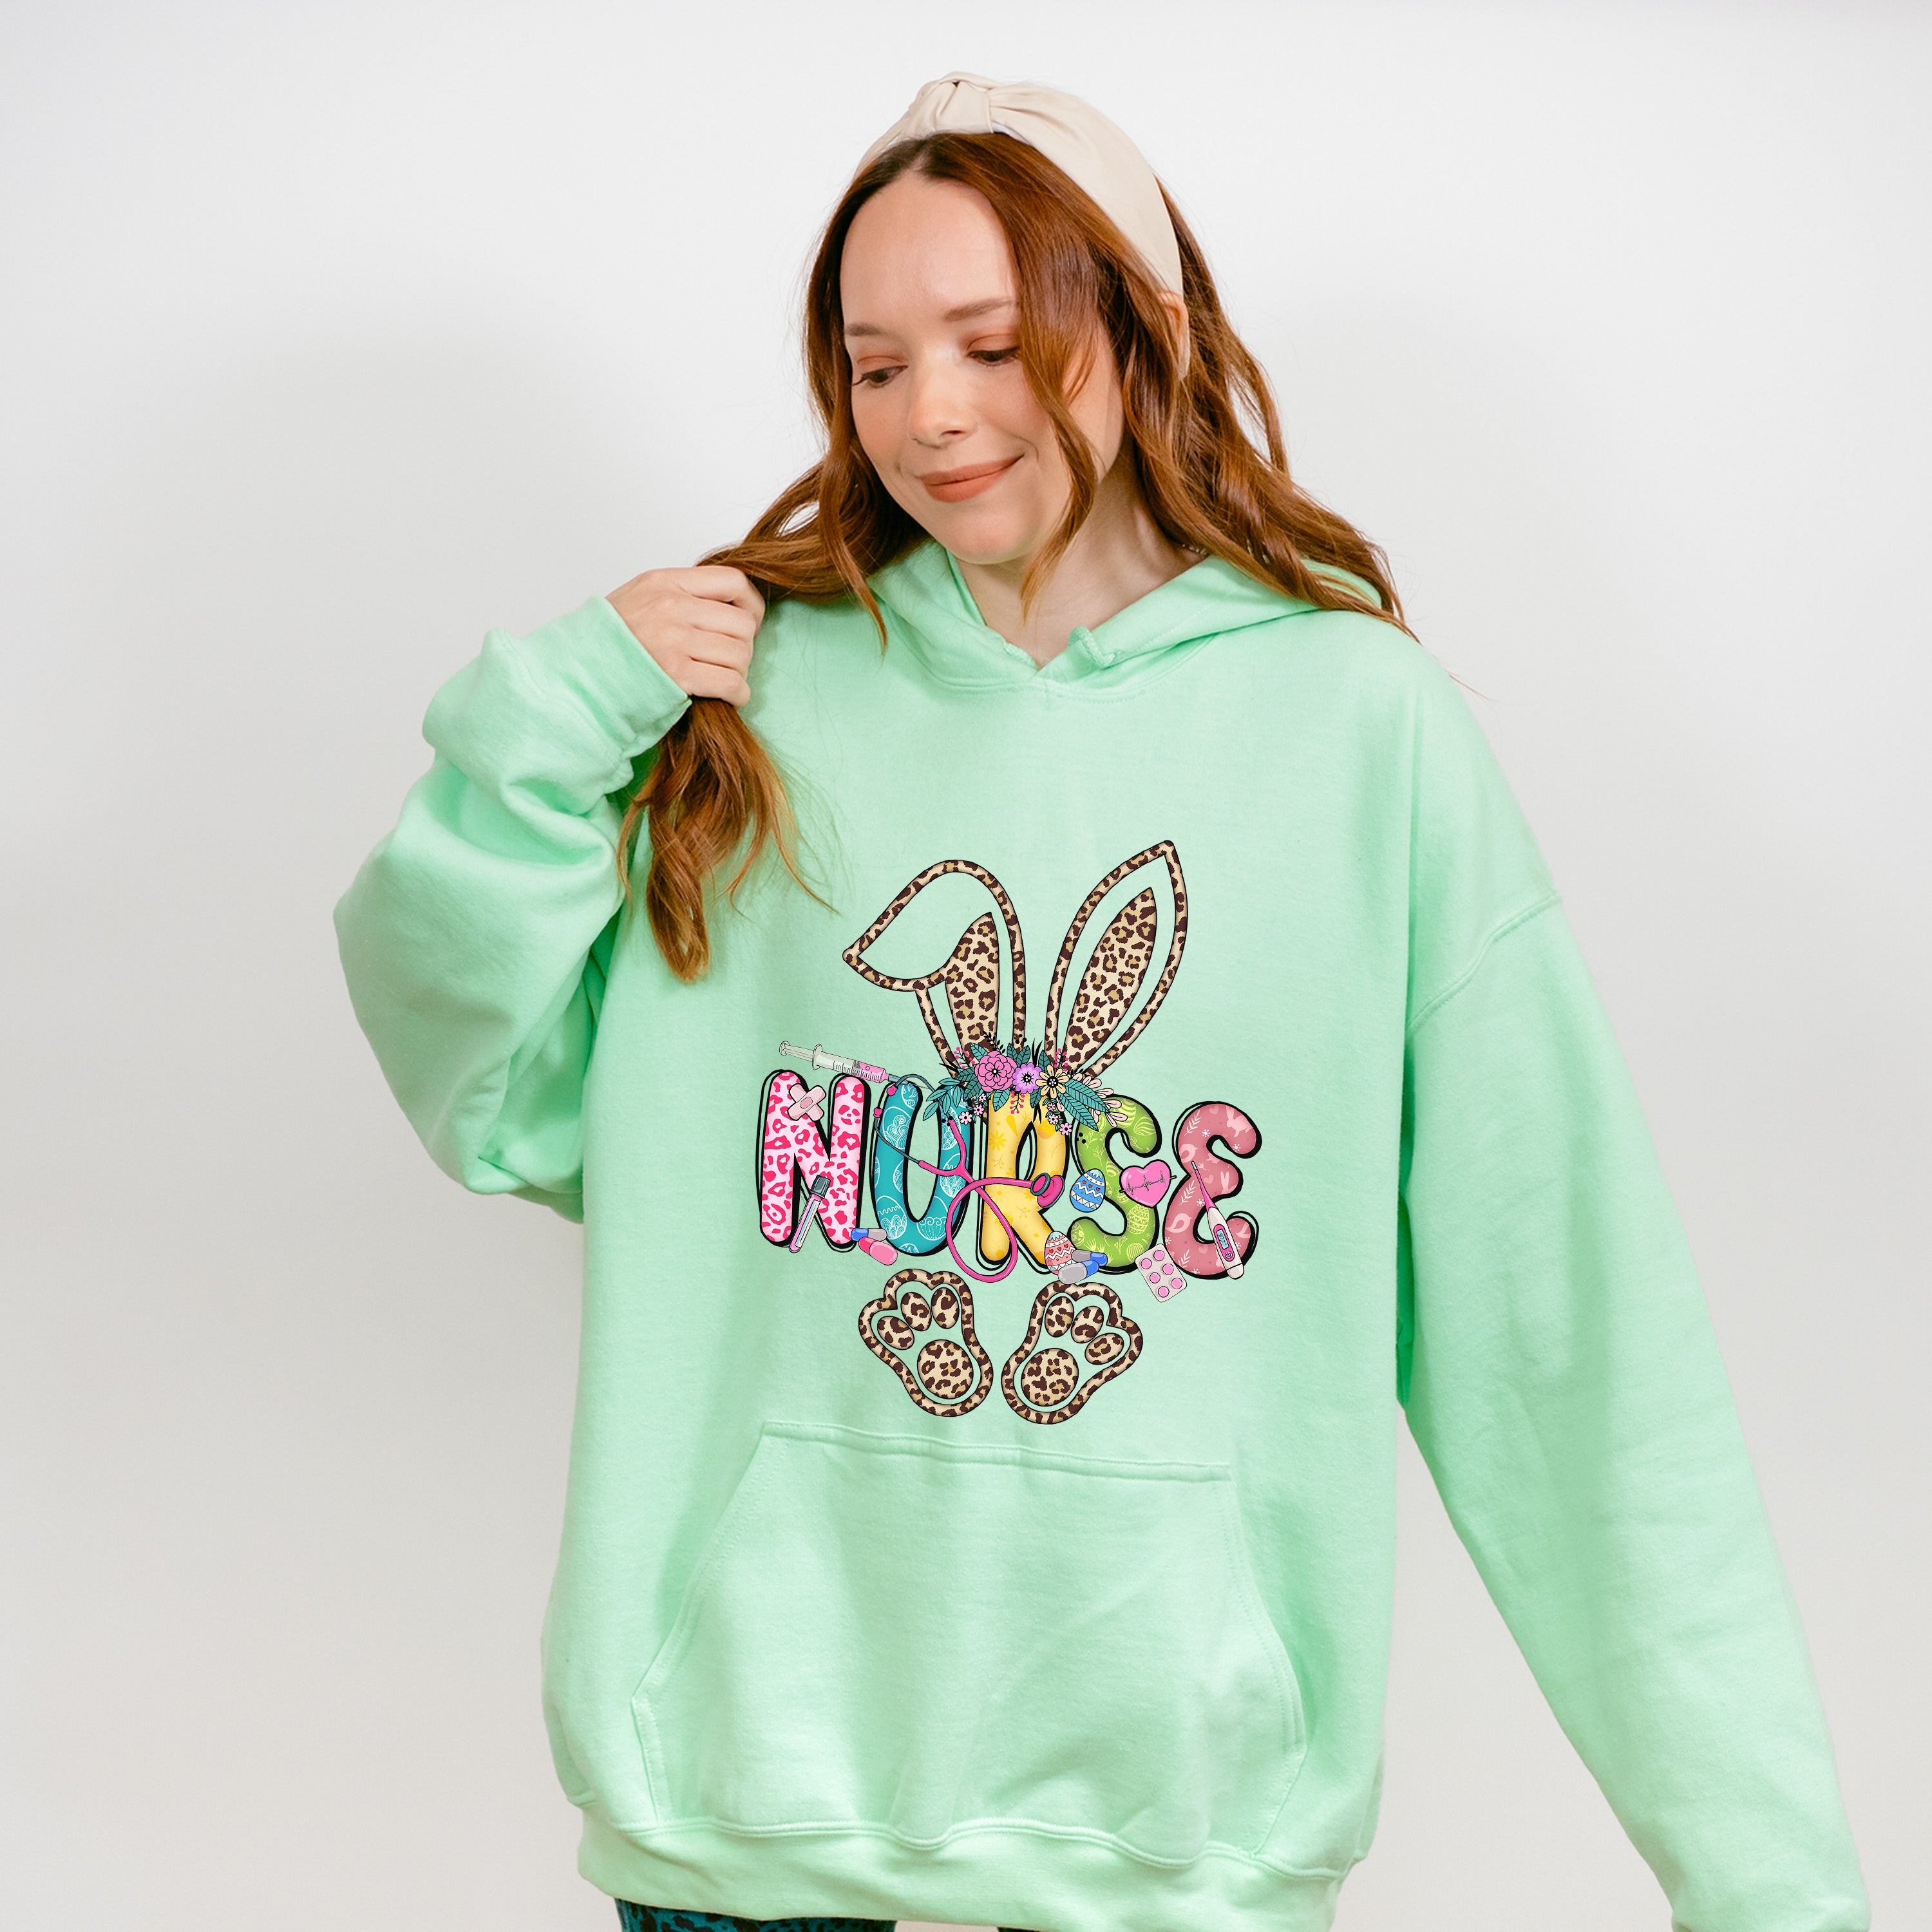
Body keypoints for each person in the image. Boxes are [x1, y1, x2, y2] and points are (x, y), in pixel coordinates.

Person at [334, 70, 1867, 1932]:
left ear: (1146, 332)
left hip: (1178, 1845)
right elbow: (491, 1090)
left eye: (994, 343)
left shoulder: (1354, 730)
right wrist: (552, 723)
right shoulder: (744, 695)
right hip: (747, 1818)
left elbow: (1566, 1332)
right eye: (875, 363)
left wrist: (1772, 1886)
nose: (932, 412)